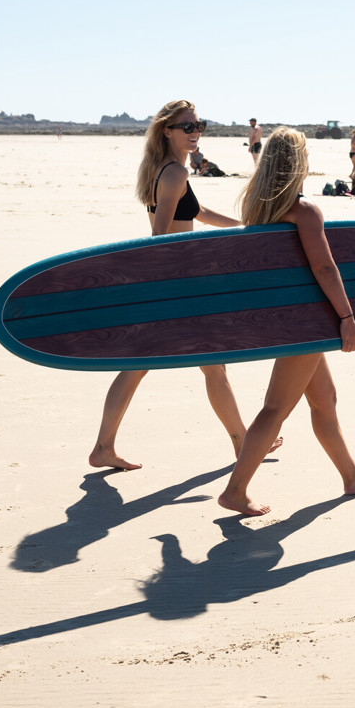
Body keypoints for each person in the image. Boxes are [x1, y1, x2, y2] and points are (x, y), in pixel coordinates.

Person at [89, 100, 279, 471]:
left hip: (166, 283)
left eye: (199, 125)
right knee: (211, 364)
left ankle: (103, 448)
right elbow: (159, 237)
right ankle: (242, 442)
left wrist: (245, 229)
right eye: (188, 127)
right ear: (167, 131)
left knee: (144, 366)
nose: (195, 133)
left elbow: (198, 212)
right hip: (174, 283)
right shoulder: (174, 172)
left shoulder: (166, 170)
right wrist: (180, 279)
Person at [218, 128, 355, 516]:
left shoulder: (256, 206)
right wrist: (347, 317)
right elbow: (325, 267)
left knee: (324, 399)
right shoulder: (304, 209)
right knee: (276, 408)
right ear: (298, 163)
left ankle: (351, 474)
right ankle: (235, 489)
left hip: (287, 317)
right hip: (307, 322)